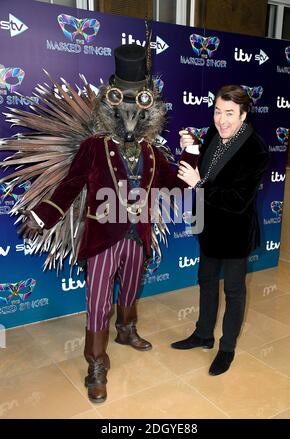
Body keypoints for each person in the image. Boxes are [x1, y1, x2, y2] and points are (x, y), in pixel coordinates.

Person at [15, 44, 199, 403]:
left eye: (137, 107)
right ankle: (96, 362)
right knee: (98, 300)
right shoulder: (93, 147)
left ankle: (126, 330)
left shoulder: (151, 152)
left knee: (130, 289)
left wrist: (190, 154)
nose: (130, 115)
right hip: (102, 235)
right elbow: (69, 186)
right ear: (111, 107)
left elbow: (171, 184)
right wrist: (43, 214)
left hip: (138, 233)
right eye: (123, 106)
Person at [171, 84, 269, 375]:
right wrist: (190, 146)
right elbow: (205, 166)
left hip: (236, 233)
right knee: (206, 280)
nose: (221, 119)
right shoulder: (215, 133)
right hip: (209, 226)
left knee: (235, 291)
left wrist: (199, 184)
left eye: (229, 113)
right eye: (217, 111)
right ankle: (203, 334)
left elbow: (238, 200)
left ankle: (226, 349)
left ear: (243, 115)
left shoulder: (256, 150)